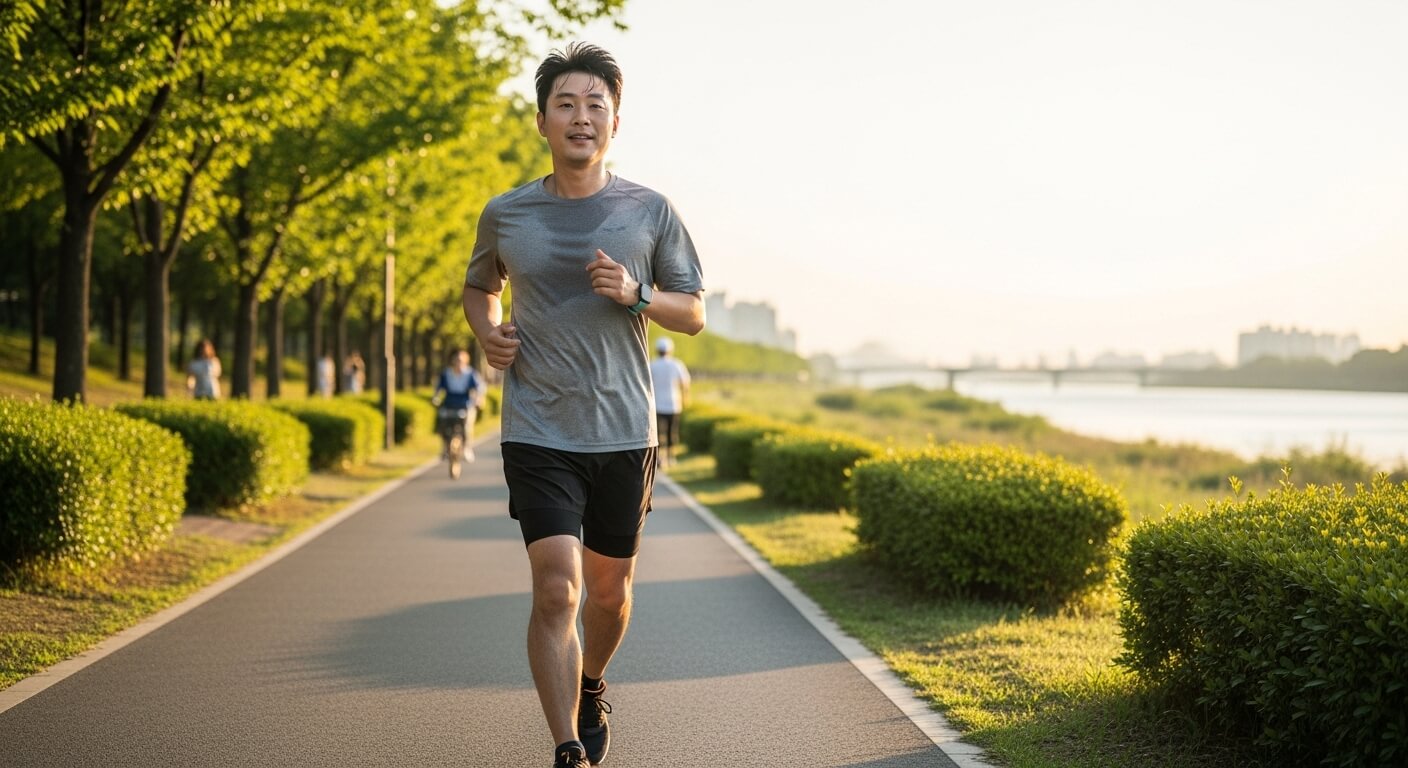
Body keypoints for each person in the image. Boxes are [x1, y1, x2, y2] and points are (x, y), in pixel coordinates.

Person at [462, 42, 705, 768]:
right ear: (542, 120)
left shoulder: (649, 210)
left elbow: (692, 312)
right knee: (556, 590)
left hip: (623, 430)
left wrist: (636, 293)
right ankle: (567, 745)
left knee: (607, 593)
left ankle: (590, 682)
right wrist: (488, 333)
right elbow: (480, 287)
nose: (580, 117)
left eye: (595, 105)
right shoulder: (507, 213)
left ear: (614, 122)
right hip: (538, 427)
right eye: (565, 104)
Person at [431, 348, 484, 462]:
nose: (458, 363)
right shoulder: (446, 374)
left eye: (460, 360)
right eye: (456, 360)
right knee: (442, 422)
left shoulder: (470, 374)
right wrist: (435, 398)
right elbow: (438, 388)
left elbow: (479, 388)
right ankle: (444, 448)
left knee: (466, 426)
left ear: (465, 361)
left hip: (465, 404)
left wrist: (478, 400)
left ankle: (467, 448)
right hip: (449, 403)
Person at [649, 337, 690, 469]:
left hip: (656, 405)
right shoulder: (677, 364)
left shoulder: (652, 365)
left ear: (657, 350)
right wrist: (685, 398)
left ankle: (659, 458)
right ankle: (671, 457)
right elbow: (685, 383)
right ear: (670, 350)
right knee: (672, 432)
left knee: (657, 433)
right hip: (674, 404)